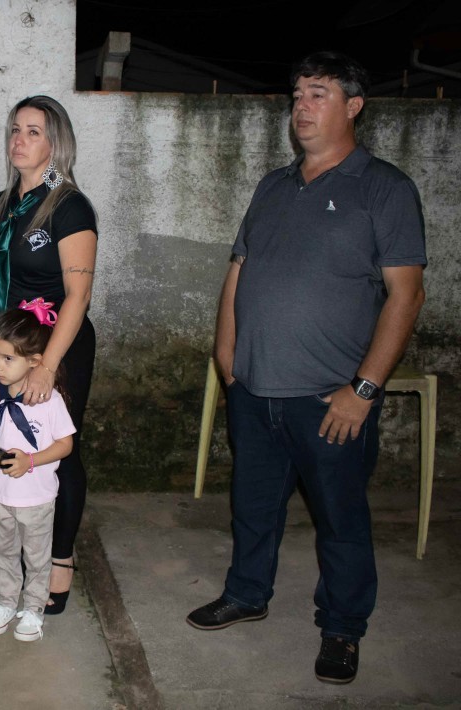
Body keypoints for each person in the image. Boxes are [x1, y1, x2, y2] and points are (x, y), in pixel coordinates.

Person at [185, 51, 427, 685]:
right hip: (254, 386)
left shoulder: (384, 188)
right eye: (297, 95)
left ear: (354, 105)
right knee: (252, 505)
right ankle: (247, 593)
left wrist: (364, 390)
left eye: (318, 94)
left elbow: (406, 295)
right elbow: (239, 269)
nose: (302, 106)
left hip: (329, 399)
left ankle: (342, 627)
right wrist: (226, 352)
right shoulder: (273, 185)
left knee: (340, 521)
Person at [0, 95, 98, 614]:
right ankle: (15, 562)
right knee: (4, 444)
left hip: (55, 349)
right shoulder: (1, 203)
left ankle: (59, 558)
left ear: (56, 144)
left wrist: (48, 366)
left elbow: (78, 295)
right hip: (6, 350)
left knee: (59, 450)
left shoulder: (68, 205)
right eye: (15, 129)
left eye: (34, 131)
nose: (19, 139)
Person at [0, 306, 75, 642]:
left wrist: (30, 461)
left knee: (37, 556)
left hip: (36, 498)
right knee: (1, 550)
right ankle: (6, 601)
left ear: (34, 361)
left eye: (7, 359)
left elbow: (65, 445)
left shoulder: (49, 401)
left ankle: (33, 608)